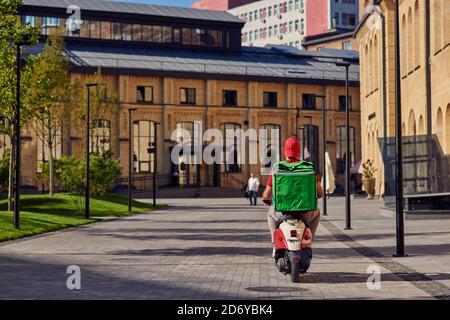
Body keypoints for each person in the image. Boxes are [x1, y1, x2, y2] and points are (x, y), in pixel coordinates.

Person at [262, 137, 323, 249]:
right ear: (299, 151)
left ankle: (275, 243)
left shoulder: (277, 168)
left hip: (282, 213)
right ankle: (308, 240)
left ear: (284, 150)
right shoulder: (310, 168)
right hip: (305, 213)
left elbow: (266, 194)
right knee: (317, 212)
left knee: (270, 213)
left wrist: (266, 199)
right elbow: (320, 193)